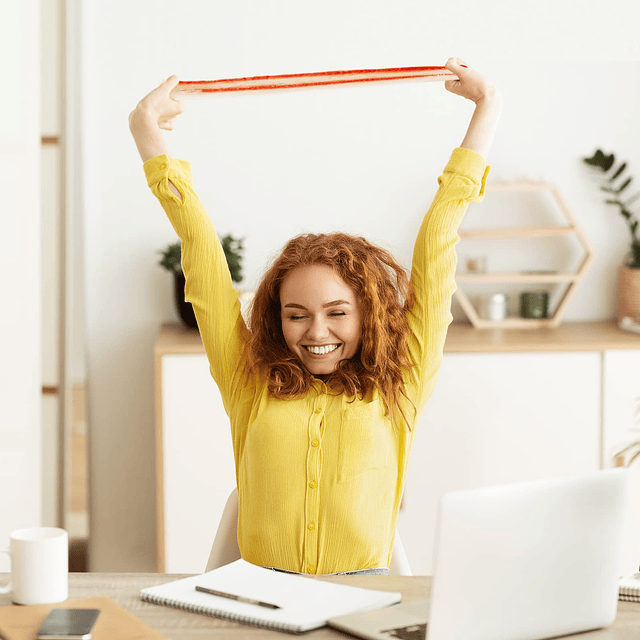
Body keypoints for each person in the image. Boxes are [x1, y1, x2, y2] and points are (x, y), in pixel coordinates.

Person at [129, 58, 502, 576]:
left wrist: (487, 110)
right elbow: (202, 256)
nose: (317, 332)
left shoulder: (401, 382)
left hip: (366, 603)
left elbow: (439, 241)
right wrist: (146, 135)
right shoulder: (249, 380)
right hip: (260, 603)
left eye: (337, 312)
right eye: (296, 314)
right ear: (277, 318)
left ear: (367, 315)